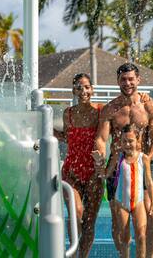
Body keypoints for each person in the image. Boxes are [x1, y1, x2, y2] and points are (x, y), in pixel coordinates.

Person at [92, 63, 153, 258]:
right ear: (118, 81)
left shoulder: (150, 106)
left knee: (152, 221)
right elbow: (101, 139)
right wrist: (100, 155)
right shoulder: (111, 109)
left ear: (138, 80)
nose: (127, 83)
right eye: (123, 79)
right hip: (117, 168)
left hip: (141, 165)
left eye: (131, 79)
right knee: (119, 227)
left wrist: (147, 157)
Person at [54, 73, 104, 258]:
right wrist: (49, 132)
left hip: (94, 173)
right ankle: (72, 254)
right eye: (79, 88)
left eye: (86, 87)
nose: (83, 91)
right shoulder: (68, 113)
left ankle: (83, 257)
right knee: (76, 214)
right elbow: (68, 137)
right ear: (73, 91)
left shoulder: (101, 111)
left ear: (92, 89)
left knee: (90, 222)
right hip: (72, 171)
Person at [105, 124, 153, 258]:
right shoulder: (118, 157)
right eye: (124, 141)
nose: (127, 144)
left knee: (141, 235)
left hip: (138, 203)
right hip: (121, 203)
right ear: (121, 142)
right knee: (124, 238)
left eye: (130, 141)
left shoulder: (144, 158)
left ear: (137, 141)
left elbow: (149, 182)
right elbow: (106, 174)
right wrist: (99, 163)